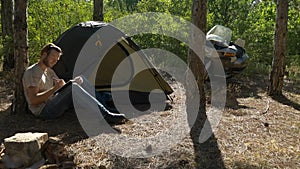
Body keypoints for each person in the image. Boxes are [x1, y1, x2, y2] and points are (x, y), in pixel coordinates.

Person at [22, 43, 127, 125]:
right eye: (53, 57)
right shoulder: (32, 72)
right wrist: (55, 89)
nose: (55, 61)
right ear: (44, 54)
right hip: (44, 111)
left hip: (54, 100)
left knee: (81, 80)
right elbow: (33, 100)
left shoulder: (48, 71)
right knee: (73, 87)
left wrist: (69, 83)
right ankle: (106, 115)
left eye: (57, 59)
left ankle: (106, 108)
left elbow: (60, 88)